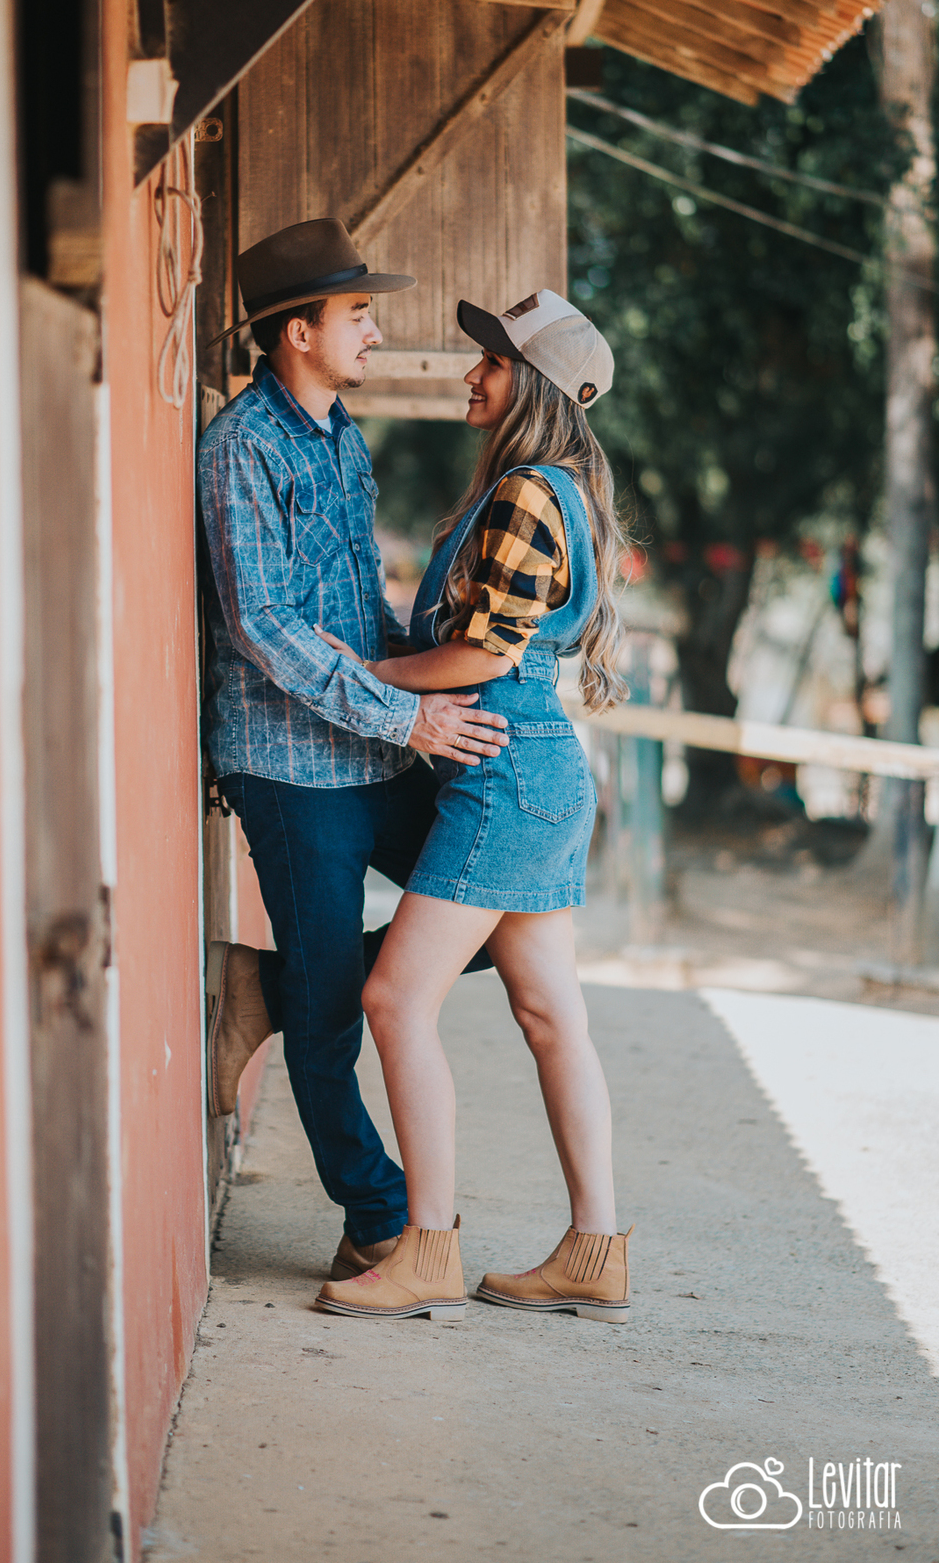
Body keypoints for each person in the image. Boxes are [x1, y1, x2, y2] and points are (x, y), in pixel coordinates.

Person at [313, 288, 634, 1324]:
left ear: (531, 384)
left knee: (396, 1001)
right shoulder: (559, 491)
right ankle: (595, 1247)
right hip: (536, 773)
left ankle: (429, 1246)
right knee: (550, 1014)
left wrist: (367, 671)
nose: (472, 373)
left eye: (492, 361)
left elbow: (485, 654)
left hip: (504, 777)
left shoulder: (530, 494)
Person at [197, 218, 508, 1281]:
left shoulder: (339, 434)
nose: (375, 331)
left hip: (373, 755)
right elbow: (267, 625)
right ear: (296, 333)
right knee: (335, 1030)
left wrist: (445, 665)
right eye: (357, 313)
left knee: (490, 908)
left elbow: (359, 613)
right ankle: (379, 1220)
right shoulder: (241, 445)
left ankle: (267, 990)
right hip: (287, 766)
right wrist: (405, 716)